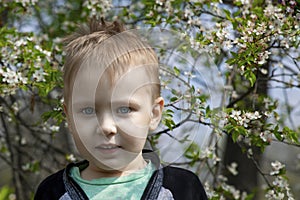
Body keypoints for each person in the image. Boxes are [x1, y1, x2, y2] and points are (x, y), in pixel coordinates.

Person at [34, 18, 208, 200]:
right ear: (69, 118)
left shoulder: (181, 189)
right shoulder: (53, 192)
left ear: (154, 114)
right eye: (88, 111)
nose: (107, 127)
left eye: (125, 109)